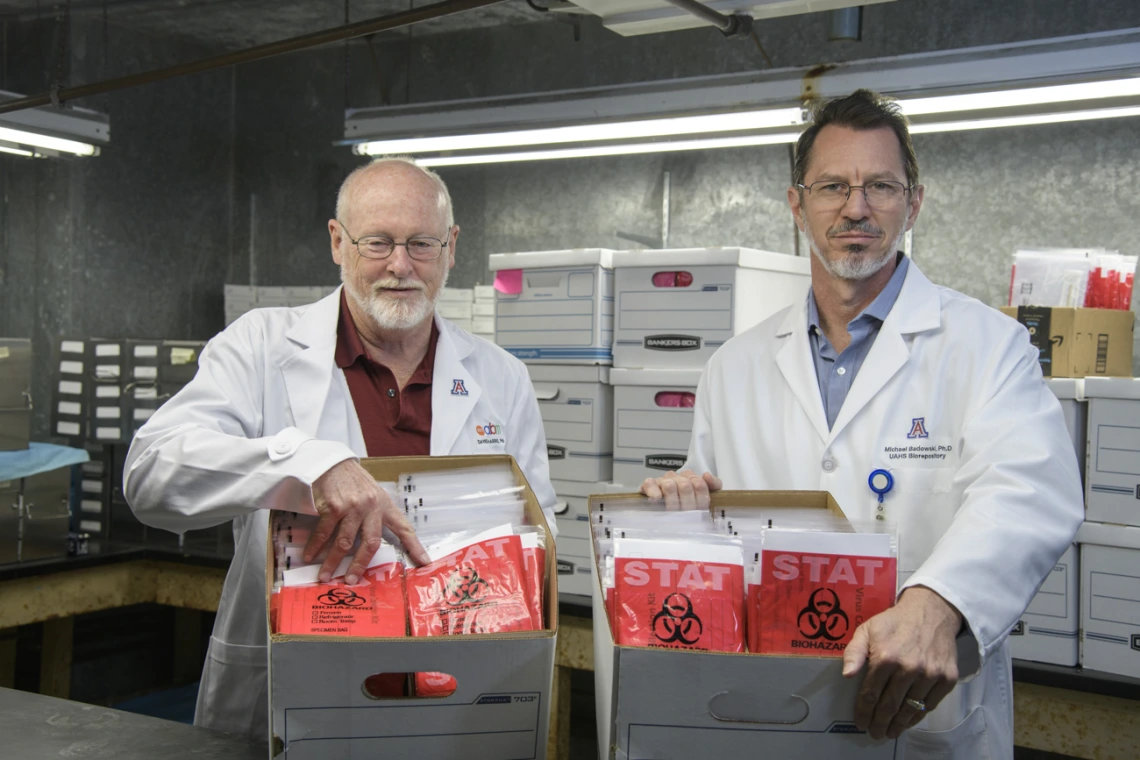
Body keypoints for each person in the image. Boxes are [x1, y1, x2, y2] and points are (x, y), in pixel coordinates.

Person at [641, 90, 1082, 759]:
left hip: (920, 720)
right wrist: (673, 519)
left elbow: (1031, 491)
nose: (856, 206)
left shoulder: (988, 346)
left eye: (880, 185)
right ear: (797, 205)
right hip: (771, 712)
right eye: (832, 186)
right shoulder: (734, 367)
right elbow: (718, 530)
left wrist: (937, 602)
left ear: (914, 203)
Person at [124, 157, 557, 741]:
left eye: (421, 244)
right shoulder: (261, 346)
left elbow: (539, 533)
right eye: (376, 242)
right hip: (297, 692)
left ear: (451, 247)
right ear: (338, 242)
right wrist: (308, 462)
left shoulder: (501, 377)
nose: (399, 266)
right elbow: (151, 475)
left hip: (456, 694)